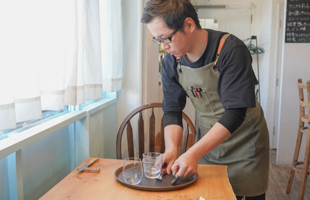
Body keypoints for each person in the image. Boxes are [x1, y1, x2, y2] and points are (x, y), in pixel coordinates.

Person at [141, 0, 269, 200]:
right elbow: (173, 110)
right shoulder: (170, 62)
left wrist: (192, 153)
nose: (164, 47)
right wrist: (171, 149)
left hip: (246, 145)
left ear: (189, 25)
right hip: (208, 145)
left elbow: (235, 112)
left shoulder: (231, 50)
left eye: (166, 38)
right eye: (157, 41)